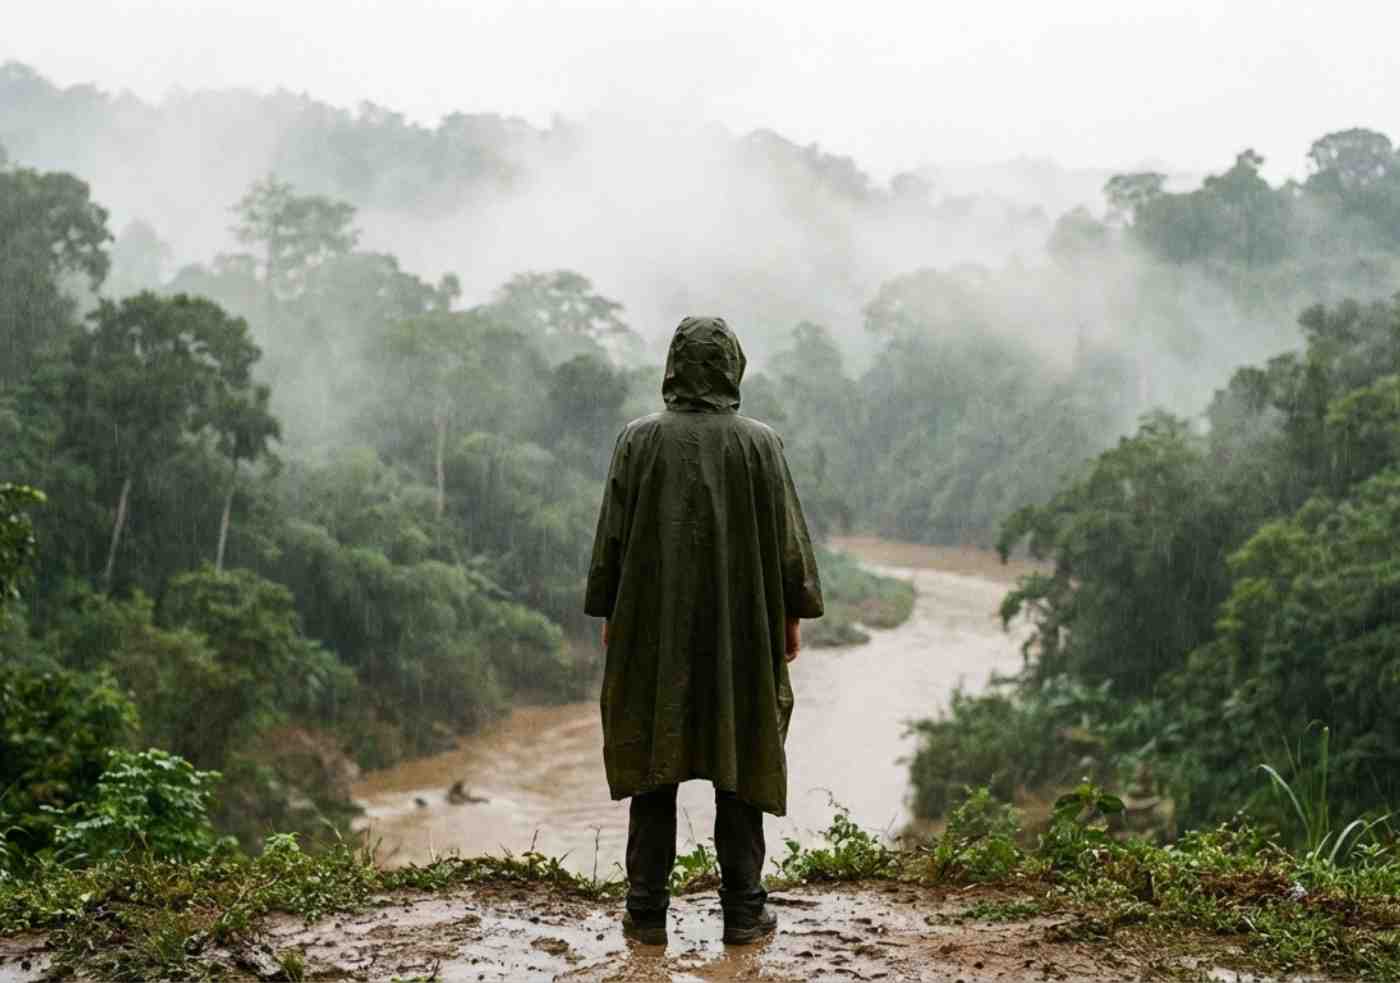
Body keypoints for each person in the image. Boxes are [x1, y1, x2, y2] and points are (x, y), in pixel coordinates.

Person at [584, 315, 824, 946]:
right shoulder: (760, 444)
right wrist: (790, 618)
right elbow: (787, 544)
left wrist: (613, 615)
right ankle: (744, 913)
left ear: (674, 367)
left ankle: (645, 914)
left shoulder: (638, 441)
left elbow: (612, 539)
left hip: (652, 629)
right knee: (740, 759)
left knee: (653, 767)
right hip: (742, 631)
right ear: (732, 368)